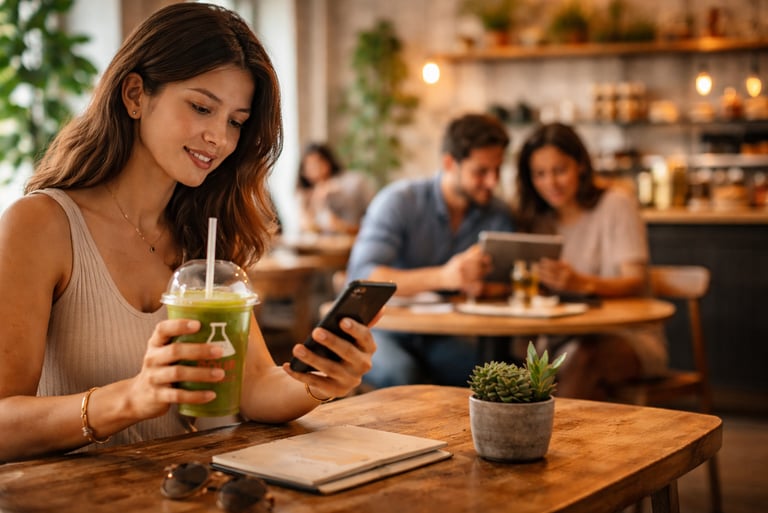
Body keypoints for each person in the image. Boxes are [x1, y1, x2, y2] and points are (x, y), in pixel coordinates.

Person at [0, 3, 376, 463]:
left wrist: (317, 381)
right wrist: (132, 399)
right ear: (135, 94)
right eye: (201, 107)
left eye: (236, 121)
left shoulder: (205, 234)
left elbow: (255, 388)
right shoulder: (39, 225)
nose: (218, 137)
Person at [345, 113, 515, 388]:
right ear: (450, 163)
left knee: (489, 377)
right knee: (402, 375)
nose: (492, 181)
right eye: (481, 171)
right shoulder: (399, 202)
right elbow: (363, 275)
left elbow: (510, 280)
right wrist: (445, 278)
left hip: (444, 332)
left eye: (498, 170)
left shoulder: (497, 213)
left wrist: (483, 287)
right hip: (387, 328)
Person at [514, 122, 666, 399]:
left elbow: (635, 282)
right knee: (513, 354)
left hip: (627, 336)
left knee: (583, 358)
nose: (551, 183)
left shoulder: (616, 204)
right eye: (540, 174)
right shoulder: (537, 220)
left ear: (581, 165)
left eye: (560, 170)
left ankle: (553, 440)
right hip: (561, 337)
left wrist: (580, 283)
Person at [296, 142, 375, 235]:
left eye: (317, 163)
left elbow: (372, 217)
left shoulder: (352, 183)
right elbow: (307, 226)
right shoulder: (306, 194)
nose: (314, 169)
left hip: (355, 238)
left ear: (328, 162)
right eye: (308, 166)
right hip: (325, 245)